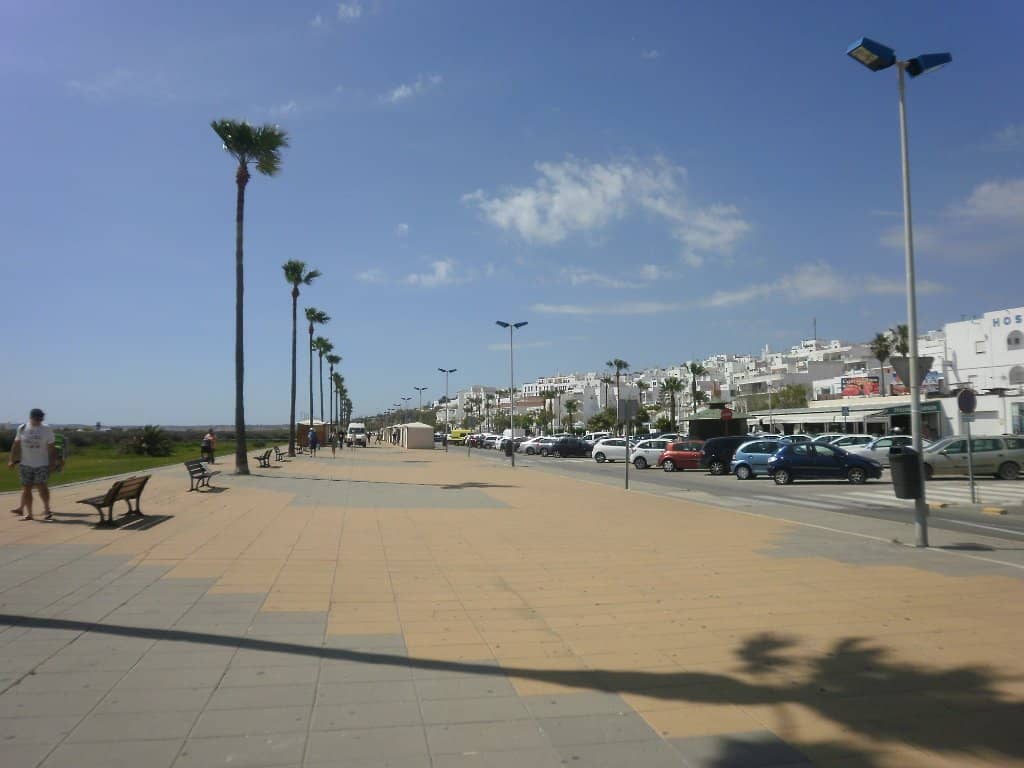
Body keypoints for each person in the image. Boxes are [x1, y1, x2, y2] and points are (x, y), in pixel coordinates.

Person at [8, 408, 60, 522]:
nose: (39, 420)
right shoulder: (22, 428)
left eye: (41, 418)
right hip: (25, 464)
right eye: (37, 418)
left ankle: (47, 510)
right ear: (31, 418)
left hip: (41, 464)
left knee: (42, 487)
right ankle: (29, 514)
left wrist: (52, 463)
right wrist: (11, 460)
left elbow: (51, 448)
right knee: (26, 489)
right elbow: (16, 444)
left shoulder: (46, 429)